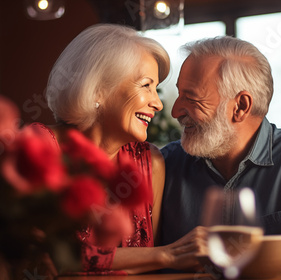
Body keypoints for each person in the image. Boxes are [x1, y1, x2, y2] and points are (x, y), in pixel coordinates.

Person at [160, 36, 281, 270]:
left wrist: (235, 250)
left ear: (241, 106)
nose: (175, 111)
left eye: (191, 98)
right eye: (179, 94)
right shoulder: (166, 163)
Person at [42, 23, 206, 275]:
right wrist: (168, 254)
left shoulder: (150, 162)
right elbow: (48, 259)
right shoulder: (39, 149)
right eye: (146, 85)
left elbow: (149, 268)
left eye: (156, 89)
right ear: (99, 89)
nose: (158, 104)